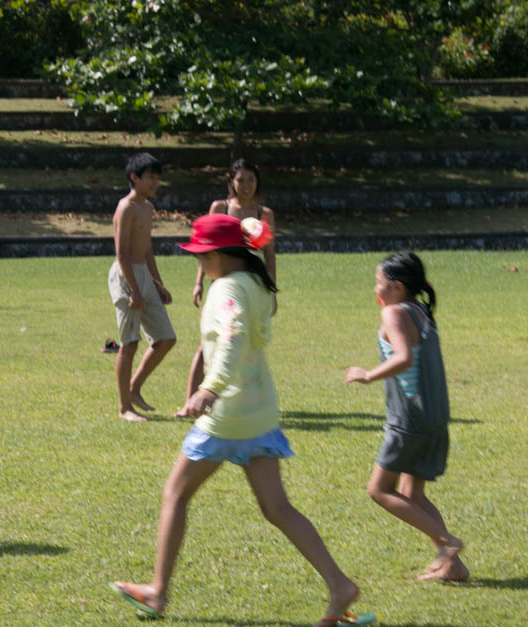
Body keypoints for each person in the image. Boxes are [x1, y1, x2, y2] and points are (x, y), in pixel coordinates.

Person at [111, 214, 373, 627]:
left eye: (201, 255)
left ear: (219, 254)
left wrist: (209, 388)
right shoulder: (254, 283)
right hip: (260, 412)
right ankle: (339, 584)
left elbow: (231, 339)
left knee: (175, 494)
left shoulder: (228, 290)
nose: (198, 262)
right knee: (278, 508)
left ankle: (158, 591)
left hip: (227, 416)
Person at [344, 252, 468, 582]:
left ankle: (447, 543)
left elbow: (402, 357)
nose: (376, 287)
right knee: (412, 494)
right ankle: (453, 567)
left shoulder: (394, 312)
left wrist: (368, 375)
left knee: (379, 490)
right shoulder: (421, 312)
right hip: (435, 416)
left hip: (408, 419)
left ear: (397, 287)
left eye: (378, 281)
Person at [174, 158, 276, 419]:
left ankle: (223, 398)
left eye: (251, 180)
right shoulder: (220, 207)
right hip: (221, 279)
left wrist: (272, 291)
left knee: (239, 340)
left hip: (251, 283)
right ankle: (191, 401)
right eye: (240, 180)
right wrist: (198, 282)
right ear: (231, 181)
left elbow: (270, 255)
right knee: (207, 344)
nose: (246, 185)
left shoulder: (264, 214)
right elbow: (206, 250)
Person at [107, 152, 177, 422]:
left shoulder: (147, 208)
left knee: (166, 338)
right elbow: (122, 253)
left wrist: (157, 284)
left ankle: (134, 388)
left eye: (158, 178)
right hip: (125, 277)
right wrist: (134, 290)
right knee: (129, 344)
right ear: (134, 178)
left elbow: (147, 250)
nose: (155, 182)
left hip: (143, 276)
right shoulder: (125, 208)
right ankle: (125, 408)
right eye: (151, 177)